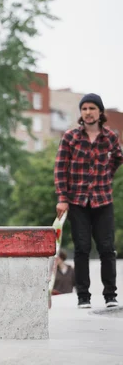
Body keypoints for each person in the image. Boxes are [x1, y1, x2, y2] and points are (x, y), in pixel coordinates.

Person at [54, 93, 123, 309]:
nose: (88, 112)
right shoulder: (71, 137)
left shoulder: (110, 137)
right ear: (81, 113)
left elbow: (118, 158)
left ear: (100, 112)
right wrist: (62, 199)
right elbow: (60, 168)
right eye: (84, 109)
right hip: (77, 201)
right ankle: (83, 296)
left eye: (92, 108)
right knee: (82, 247)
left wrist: (105, 176)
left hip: (103, 200)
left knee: (106, 248)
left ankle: (110, 295)